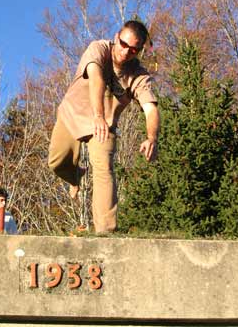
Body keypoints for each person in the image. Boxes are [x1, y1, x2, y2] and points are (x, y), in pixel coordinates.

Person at [48, 20, 160, 234]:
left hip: (104, 127)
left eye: (133, 50)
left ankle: (106, 232)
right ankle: (75, 176)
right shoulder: (98, 48)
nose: (126, 52)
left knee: (104, 169)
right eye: (123, 44)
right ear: (117, 37)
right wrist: (97, 114)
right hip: (74, 114)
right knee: (56, 161)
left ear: (139, 51)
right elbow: (96, 78)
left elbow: (150, 108)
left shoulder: (139, 75)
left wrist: (151, 137)